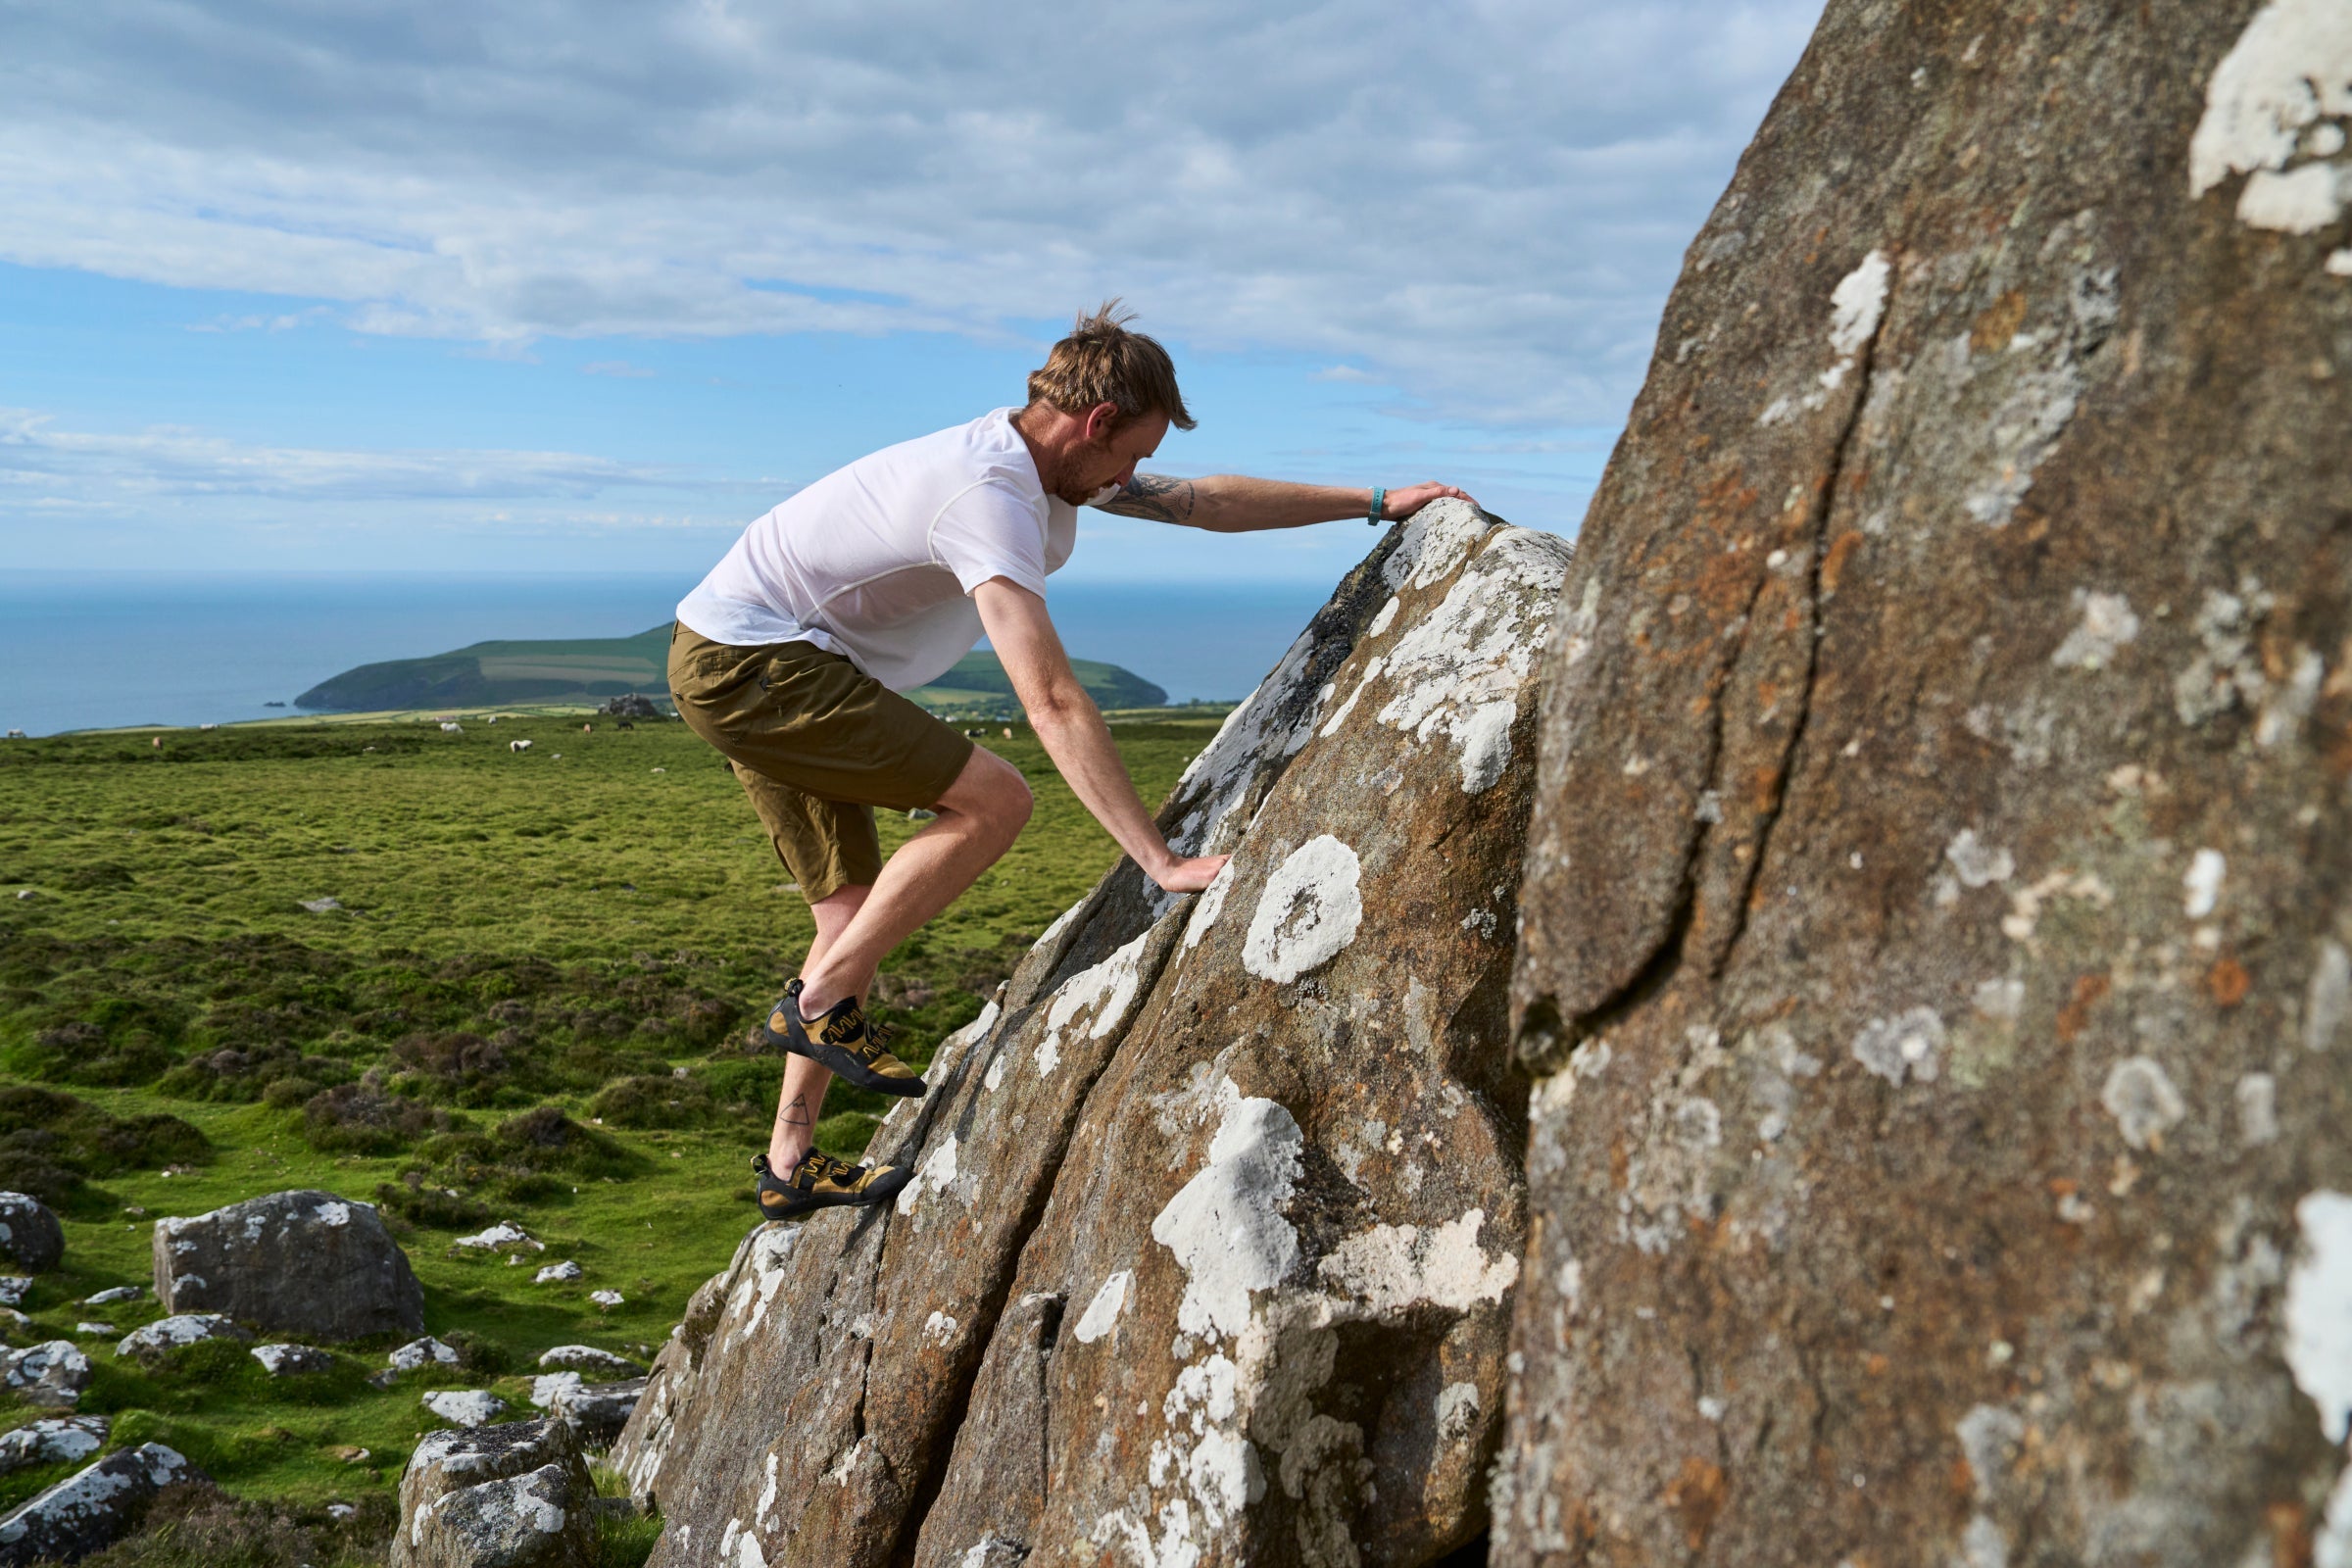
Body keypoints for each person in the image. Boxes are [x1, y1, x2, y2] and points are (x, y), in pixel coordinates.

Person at [667, 303, 1474, 1221]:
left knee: (853, 912)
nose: (1134, 477)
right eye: (1131, 454)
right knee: (996, 804)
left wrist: (1375, 503)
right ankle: (820, 1003)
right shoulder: (986, 496)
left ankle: (788, 1163)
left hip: (749, 650)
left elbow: (1203, 503)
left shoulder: (1048, 469)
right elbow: (1048, 696)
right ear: (1094, 424)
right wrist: (1158, 860)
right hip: (756, 665)